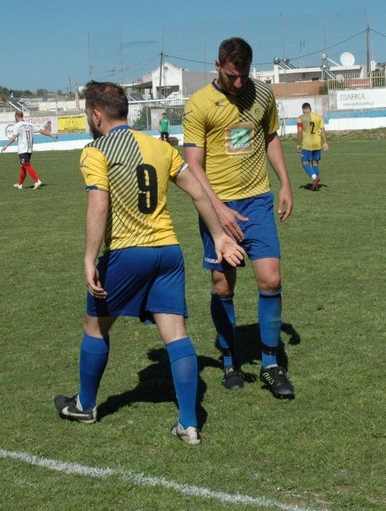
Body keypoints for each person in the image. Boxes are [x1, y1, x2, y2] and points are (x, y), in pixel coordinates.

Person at [53, 81, 244, 444]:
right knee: (176, 334)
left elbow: (98, 203)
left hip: (128, 253)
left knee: (95, 327)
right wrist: (219, 236)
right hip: (168, 253)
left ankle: (85, 405)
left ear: (96, 115)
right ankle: (188, 423)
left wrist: (89, 258)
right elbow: (198, 191)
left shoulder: (95, 151)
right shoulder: (160, 147)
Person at [181, 37, 296, 398]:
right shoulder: (199, 104)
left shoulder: (262, 94)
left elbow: (270, 137)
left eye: (244, 74)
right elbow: (193, 163)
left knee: (271, 280)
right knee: (222, 286)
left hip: (258, 201)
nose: (238, 82)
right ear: (217, 66)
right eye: (231, 75)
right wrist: (217, 207)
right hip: (217, 206)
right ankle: (230, 359)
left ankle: (270, 365)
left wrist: (285, 182)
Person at [0, 111, 57, 189]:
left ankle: (37, 181)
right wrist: (51, 134)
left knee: (26, 165)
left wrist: (6, 145)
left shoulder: (17, 125)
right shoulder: (30, 124)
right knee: (23, 167)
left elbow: (13, 137)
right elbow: (41, 131)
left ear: (16, 117)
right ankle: (20, 184)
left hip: (22, 149)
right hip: (29, 148)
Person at [295, 102, 328, 191]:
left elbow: (299, 131)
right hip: (317, 143)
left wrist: (298, 144)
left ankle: (314, 178)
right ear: (310, 109)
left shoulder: (301, 118)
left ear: (303, 110)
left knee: (305, 162)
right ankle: (316, 184)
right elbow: (322, 130)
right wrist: (325, 142)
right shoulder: (319, 117)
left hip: (307, 144)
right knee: (315, 163)